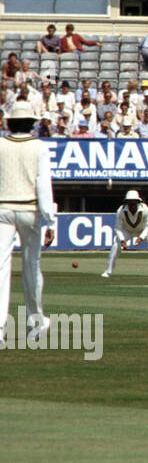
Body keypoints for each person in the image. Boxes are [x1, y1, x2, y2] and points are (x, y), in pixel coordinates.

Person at [0, 101, 57, 344]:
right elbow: (43, 184)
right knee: (31, 267)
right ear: (32, 124)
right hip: (30, 209)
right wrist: (50, 219)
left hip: (2, 209)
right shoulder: (39, 147)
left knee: (1, 269)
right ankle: (35, 322)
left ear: (10, 123)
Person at [101, 189, 148, 279]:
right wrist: (122, 240)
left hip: (143, 230)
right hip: (127, 230)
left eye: (134, 203)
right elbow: (118, 227)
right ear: (126, 203)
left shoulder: (145, 209)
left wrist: (141, 238)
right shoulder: (121, 210)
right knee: (116, 245)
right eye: (130, 203)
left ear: (138, 202)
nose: (132, 206)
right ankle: (108, 271)